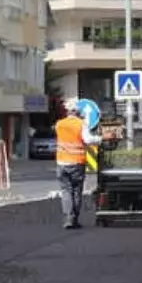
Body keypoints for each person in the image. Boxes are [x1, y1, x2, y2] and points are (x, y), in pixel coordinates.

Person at [54, 98, 102, 229]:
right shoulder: (81, 124)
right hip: (76, 162)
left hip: (61, 162)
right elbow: (87, 139)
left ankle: (68, 217)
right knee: (76, 191)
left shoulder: (59, 124)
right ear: (78, 112)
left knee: (65, 191)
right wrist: (100, 139)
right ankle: (73, 219)